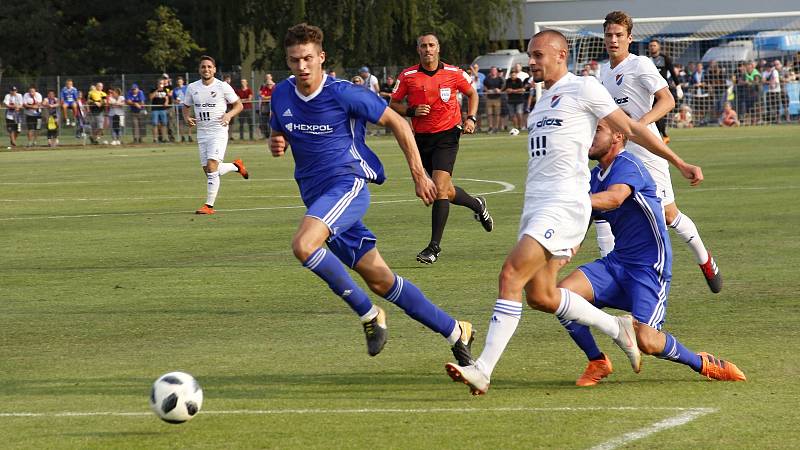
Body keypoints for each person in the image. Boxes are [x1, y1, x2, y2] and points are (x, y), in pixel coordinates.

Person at [444, 29, 703, 396]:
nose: (531, 62)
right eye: (530, 56)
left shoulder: (584, 88)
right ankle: (618, 329)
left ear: (561, 55)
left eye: (537, 55)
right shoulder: (541, 101)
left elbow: (630, 128)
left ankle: (483, 369)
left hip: (564, 203)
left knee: (510, 274)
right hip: (536, 205)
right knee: (542, 296)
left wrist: (678, 162)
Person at [269, 23, 475, 363]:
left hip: (347, 185)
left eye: (308, 58)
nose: (302, 67)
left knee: (304, 245)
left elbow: (399, 122)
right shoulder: (281, 93)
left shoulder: (345, 93)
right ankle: (456, 330)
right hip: (318, 198)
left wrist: (419, 175)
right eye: (294, 60)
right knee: (382, 280)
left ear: (321, 58)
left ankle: (369, 315)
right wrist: (277, 141)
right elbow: (279, 129)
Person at [557, 118, 745, 387]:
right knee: (561, 297)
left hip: (649, 267)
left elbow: (614, 198)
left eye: (597, 130)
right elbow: (585, 218)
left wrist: (572, 200)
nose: (590, 136)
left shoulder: (629, 165)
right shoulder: (594, 177)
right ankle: (597, 361)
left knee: (648, 342)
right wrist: (566, 250)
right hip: (617, 262)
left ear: (618, 136)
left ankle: (702, 363)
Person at [598, 11, 722, 293]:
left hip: (647, 151)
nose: (613, 40)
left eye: (619, 35)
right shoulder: (603, 73)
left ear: (629, 38)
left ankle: (705, 260)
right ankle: (611, 279)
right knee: (606, 209)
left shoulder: (640, 64)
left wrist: (638, 126)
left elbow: (667, 101)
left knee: (668, 215)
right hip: (617, 154)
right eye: (609, 35)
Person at [390, 32, 492, 264]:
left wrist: (471, 118)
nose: (428, 49)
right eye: (424, 46)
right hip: (422, 139)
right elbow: (393, 103)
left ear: (438, 48)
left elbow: (472, 94)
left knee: (438, 187)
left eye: (432, 45)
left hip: (448, 135)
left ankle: (434, 247)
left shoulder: (454, 73)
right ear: (418, 50)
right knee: (443, 190)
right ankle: (477, 204)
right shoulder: (408, 76)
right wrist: (411, 111)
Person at [182, 55, 247, 215]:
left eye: (209, 67)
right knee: (209, 170)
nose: (206, 69)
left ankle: (209, 206)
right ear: (199, 69)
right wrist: (187, 117)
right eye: (203, 67)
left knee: (212, 167)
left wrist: (228, 115)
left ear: (214, 69)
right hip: (202, 133)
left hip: (218, 131)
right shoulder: (192, 87)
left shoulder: (222, 86)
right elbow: (185, 106)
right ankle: (235, 166)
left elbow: (239, 105)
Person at [648, 39, 676, 143]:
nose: (652, 47)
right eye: (650, 46)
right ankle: (662, 135)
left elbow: (672, 73)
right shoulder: (647, 60)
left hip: (662, 91)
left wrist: (678, 86)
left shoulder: (665, 59)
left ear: (659, 47)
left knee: (658, 114)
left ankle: (663, 135)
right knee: (653, 114)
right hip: (650, 91)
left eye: (654, 45)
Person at [483, 66, 504, 133]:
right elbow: (484, 86)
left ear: (496, 71)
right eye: (492, 70)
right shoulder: (487, 79)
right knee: (489, 114)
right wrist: (487, 90)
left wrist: (499, 90)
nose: (493, 71)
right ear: (490, 71)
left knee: (497, 114)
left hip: (497, 98)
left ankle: (496, 128)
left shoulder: (500, 79)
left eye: (494, 70)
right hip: (489, 98)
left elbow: (503, 86)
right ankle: (490, 127)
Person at [150, 79, 170, 143]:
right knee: (155, 124)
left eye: (162, 83)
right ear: (158, 83)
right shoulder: (153, 89)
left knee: (164, 124)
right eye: (160, 83)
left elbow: (167, 98)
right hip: (155, 109)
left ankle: (164, 138)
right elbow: (151, 97)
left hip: (163, 109)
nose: (161, 84)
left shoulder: (166, 89)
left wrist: (166, 102)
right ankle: (155, 139)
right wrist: (157, 90)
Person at [172, 76, 191, 142]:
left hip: (186, 107)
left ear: (183, 81)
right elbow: (173, 99)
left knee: (188, 121)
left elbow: (190, 96)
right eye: (178, 81)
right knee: (180, 122)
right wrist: (175, 101)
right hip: (179, 108)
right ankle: (182, 136)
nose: (179, 82)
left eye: (180, 81)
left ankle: (189, 136)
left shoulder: (187, 88)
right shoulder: (175, 90)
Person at [258, 74, 275, 139]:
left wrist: (267, 97)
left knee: (272, 121)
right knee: (264, 121)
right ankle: (266, 135)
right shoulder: (264, 87)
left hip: (273, 107)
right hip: (265, 107)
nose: (269, 85)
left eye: (270, 84)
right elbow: (262, 97)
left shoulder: (275, 87)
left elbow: (275, 96)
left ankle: (272, 134)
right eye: (268, 84)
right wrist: (270, 97)